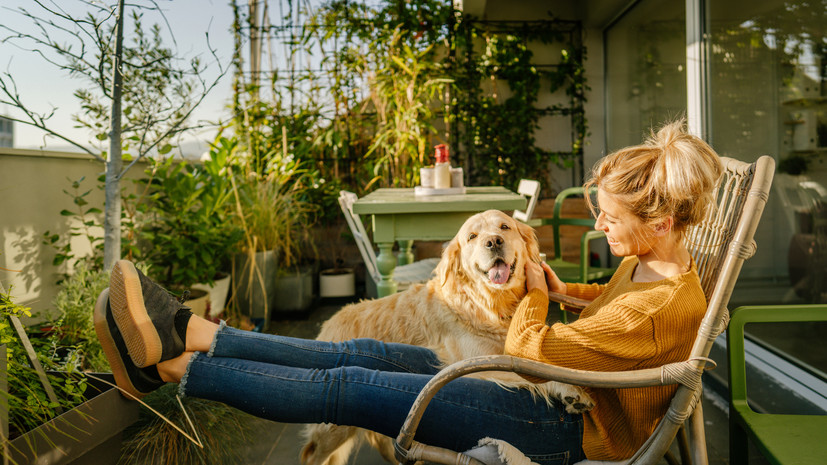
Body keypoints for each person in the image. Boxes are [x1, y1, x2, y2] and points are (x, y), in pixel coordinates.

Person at [94, 120, 723, 463]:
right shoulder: (657, 266)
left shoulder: (664, 302)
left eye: (611, 218)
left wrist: (534, 291)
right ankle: (197, 331)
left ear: (661, 221)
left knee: (351, 390)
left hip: (557, 425)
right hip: (531, 387)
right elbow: (611, 309)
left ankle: (173, 366)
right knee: (356, 354)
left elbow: (536, 351)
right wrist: (565, 288)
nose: (600, 225)